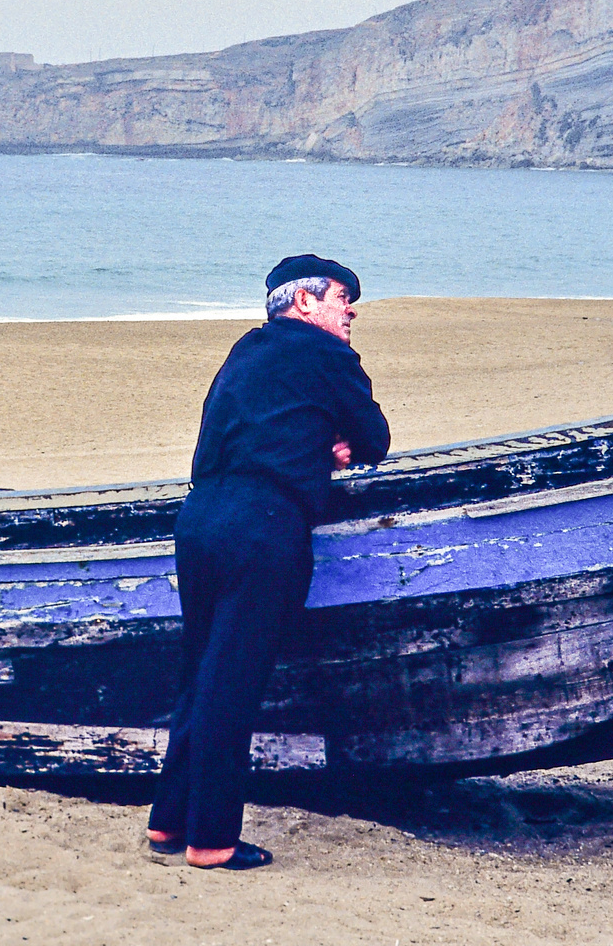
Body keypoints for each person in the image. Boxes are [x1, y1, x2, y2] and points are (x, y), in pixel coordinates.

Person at [145, 254, 391, 870]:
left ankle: (168, 826)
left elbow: (232, 435)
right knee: (235, 683)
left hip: (200, 519)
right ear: (305, 303)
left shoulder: (244, 352)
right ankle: (212, 842)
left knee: (199, 674)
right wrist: (340, 445)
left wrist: (317, 438)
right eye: (341, 297)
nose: (350, 309)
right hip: (265, 523)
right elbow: (376, 438)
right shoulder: (327, 355)